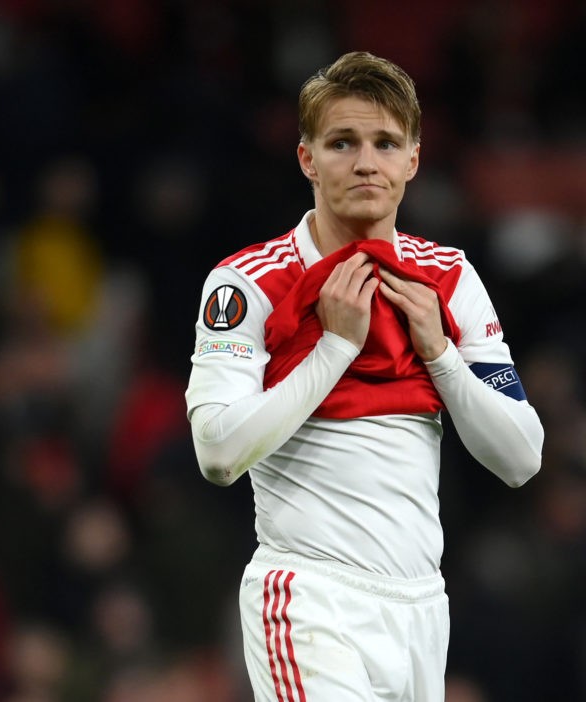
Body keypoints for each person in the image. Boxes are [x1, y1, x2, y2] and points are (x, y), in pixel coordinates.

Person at [185, 51, 543, 701]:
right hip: (310, 598)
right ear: (307, 159)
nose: (365, 163)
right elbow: (217, 451)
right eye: (342, 142)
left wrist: (440, 355)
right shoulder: (248, 282)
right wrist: (334, 350)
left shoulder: (450, 277)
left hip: (420, 612)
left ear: (412, 160)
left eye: (385, 143)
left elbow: (521, 456)